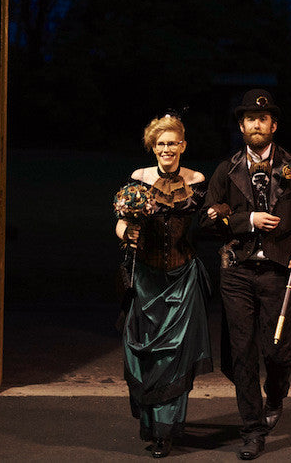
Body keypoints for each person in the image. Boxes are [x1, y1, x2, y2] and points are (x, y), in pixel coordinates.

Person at [201, 89, 291, 460]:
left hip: (277, 270)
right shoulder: (226, 169)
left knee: (277, 350)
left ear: (273, 125)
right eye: (249, 118)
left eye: (262, 118)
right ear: (241, 125)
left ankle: (277, 394)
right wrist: (246, 220)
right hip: (236, 270)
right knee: (242, 351)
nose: (256, 124)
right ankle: (251, 430)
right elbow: (208, 220)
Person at [114, 113, 213, 458]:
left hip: (182, 279)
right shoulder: (138, 179)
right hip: (146, 280)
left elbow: (209, 218)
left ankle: (165, 433)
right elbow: (121, 222)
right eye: (161, 144)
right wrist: (127, 233)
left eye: (173, 143)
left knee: (174, 356)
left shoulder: (198, 180)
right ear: (153, 147)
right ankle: (152, 424)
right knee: (146, 354)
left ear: (183, 145)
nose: (167, 149)